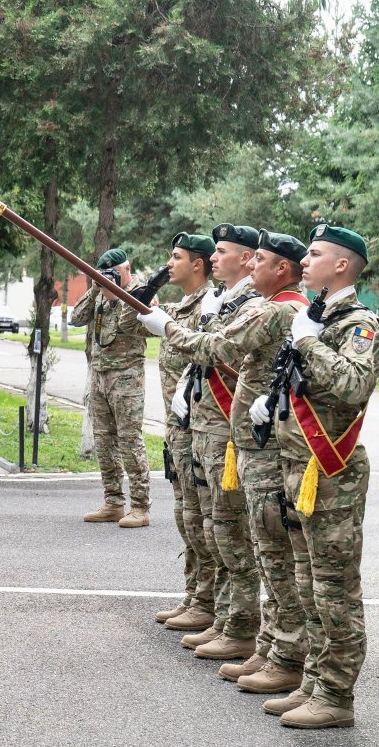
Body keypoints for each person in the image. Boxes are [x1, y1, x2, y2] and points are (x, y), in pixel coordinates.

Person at [141, 230, 310, 692]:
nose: (250, 264)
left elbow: (214, 349)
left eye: (259, 258)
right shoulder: (265, 304)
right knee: (245, 538)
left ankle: (268, 643)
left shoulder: (280, 308)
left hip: (263, 445)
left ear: (280, 268)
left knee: (264, 547)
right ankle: (265, 643)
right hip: (244, 438)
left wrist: (167, 329)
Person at [254, 225, 377, 729]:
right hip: (296, 465)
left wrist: (309, 343)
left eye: (317, 254)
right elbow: (303, 386)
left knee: (333, 590)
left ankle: (337, 696)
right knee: (306, 586)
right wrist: (271, 401)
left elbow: (351, 384)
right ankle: (312, 679)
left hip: (332, 472)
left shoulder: (362, 324)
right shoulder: (316, 316)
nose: (305, 260)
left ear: (343, 265)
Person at [155, 224, 262, 652]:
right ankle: (212, 608)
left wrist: (165, 326)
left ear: (248, 259)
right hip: (198, 421)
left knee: (229, 529)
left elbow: (214, 351)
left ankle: (235, 623)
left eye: (222, 252)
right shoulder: (225, 301)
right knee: (201, 520)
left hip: (224, 427)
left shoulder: (254, 306)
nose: (215, 258)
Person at [123, 233, 216, 625]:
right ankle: (195, 595)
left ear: (198, 263)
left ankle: (208, 603)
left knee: (203, 519)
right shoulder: (180, 307)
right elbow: (133, 318)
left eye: (175, 258)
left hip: (202, 429)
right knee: (186, 517)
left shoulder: (210, 307)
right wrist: (154, 281)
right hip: (178, 428)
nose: (169, 263)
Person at [71, 247, 150, 528]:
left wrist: (118, 298)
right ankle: (114, 501)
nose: (110, 278)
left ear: (127, 268)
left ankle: (140, 507)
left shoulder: (141, 291)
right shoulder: (100, 293)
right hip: (100, 376)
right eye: (105, 274)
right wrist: (95, 290)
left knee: (129, 440)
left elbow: (143, 327)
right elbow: (76, 318)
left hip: (127, 376)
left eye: (114, 273)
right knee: (104, 442)